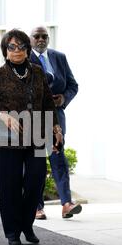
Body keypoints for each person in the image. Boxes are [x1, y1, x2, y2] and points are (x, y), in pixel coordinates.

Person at [0, 29, 62, 245]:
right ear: (5, 51)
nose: (17, 51)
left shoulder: (37, 72)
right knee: (10, 185)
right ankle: (12, 231)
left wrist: (55, 127)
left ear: (28, 49)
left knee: (36, 180)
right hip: (8, 137)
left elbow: (48, 104)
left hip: (36, 133)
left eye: (22, 46)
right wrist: (2, 115)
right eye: (12, 47)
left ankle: (27, 224)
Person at [29, 26, 81, 220]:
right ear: (30, 39)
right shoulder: (24, 58)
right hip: (34, 118)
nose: (41, 39)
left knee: (59, 160)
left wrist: (63, 100)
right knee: (36, 162)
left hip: (57, 118)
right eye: (37, 36)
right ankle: (36, 207)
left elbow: (73, 85)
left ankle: (67, 204)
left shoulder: (59, 57)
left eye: (44, 36)